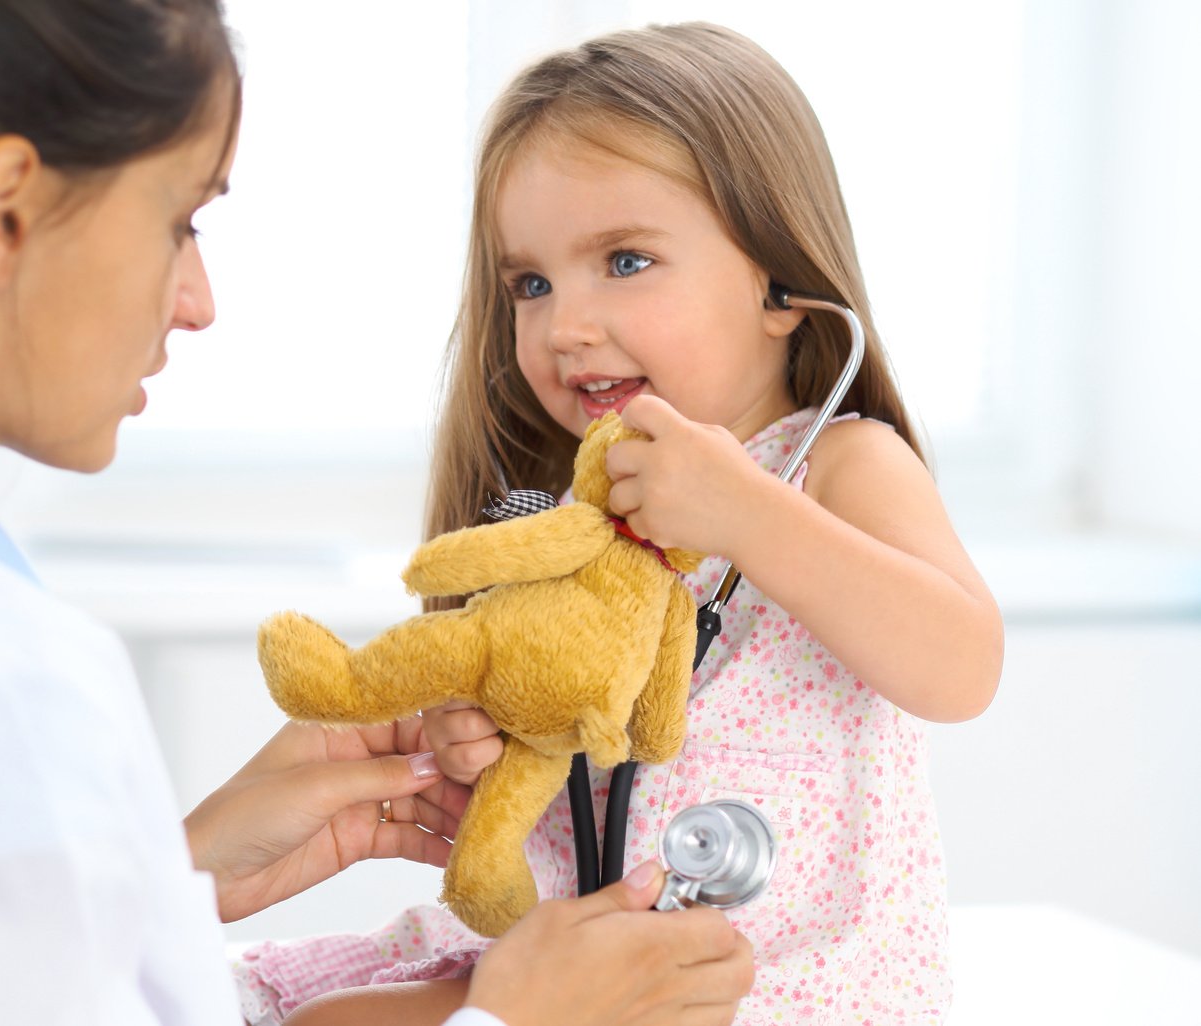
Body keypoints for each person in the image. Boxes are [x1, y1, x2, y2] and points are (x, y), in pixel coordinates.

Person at [0, 2, 755, 1024]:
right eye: (182, 221)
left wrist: (167, 881)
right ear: (1, 213)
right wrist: (509, 1016)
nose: (200, 301)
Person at [234, 21, 1004, 1026]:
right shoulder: (565, 514)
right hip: (561, 967)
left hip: (772, 987)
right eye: (531, 284)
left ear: (779, 283)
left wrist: (748, 513)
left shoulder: (837, 463)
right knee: (292, 1014)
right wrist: (472, 735)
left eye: (626, 261)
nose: (564, 326)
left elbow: (961, 666)